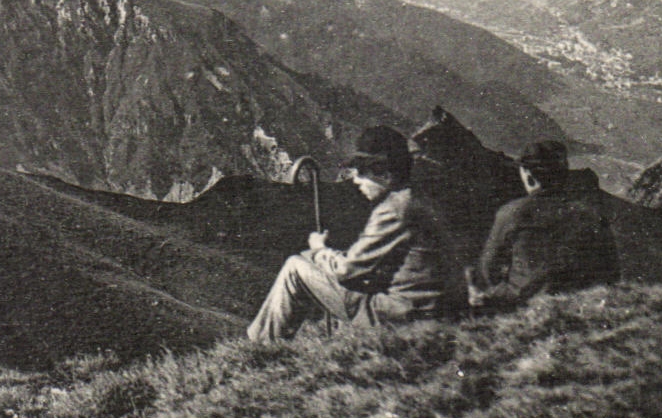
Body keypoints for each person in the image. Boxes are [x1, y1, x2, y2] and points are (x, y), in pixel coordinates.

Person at [247, 126, 448, 342]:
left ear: (386, 175)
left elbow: (347, 270)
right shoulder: (416, 199)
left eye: (363, 172)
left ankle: (261, 346)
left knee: (295, 267)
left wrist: (319, 251)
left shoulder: (394, 209)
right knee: (311, 262)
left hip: (399, 316)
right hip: (427, 310)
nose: (355, 180)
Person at [465, 139, 620, 309]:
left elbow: (487, 270)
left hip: (525, 306)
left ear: (529, 176)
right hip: (579, 306)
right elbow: (611, 270)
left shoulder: (512, 213)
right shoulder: (589, 213)